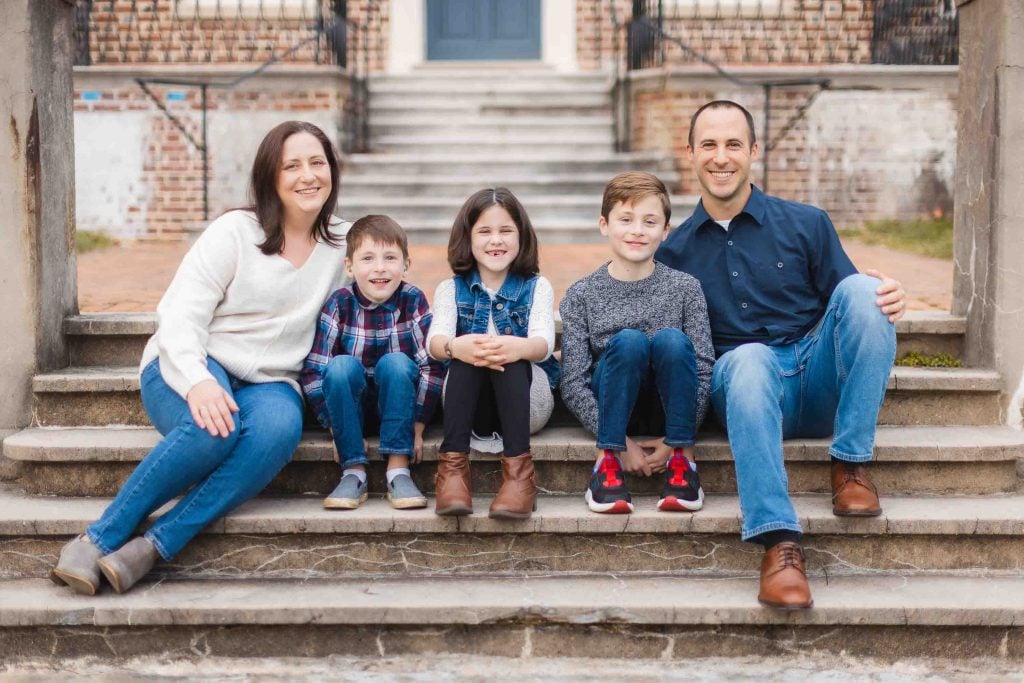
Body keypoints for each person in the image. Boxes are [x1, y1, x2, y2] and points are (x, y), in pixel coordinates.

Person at [49, 121, 351, 595]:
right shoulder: (235, 231)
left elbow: (386, 295)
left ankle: (152, 547)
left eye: (318, 162)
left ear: (332, 171)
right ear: (271, 177)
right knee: (216, 428)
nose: (307, 175)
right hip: (190, 364)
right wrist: (198, 381)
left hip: (272, 383)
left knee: (279, 429)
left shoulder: (345, 246)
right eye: (292, 165)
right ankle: (96, 539)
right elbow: (180, 316)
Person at [655, 100, 906, 610]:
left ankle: (851, 466)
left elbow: (851, 311)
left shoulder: (806, 223)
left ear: (753, 151)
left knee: (864, 290)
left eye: (732, 144)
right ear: (690, 154)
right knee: (748, 358)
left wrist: (885, 297)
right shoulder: (672, 253)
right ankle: (779, 543)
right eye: (708, 145)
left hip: (816, 380)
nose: (720, 157)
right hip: (743, 389)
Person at [560, 171, 715, 515]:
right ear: (604, 225)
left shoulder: (686, 288)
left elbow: (703, 369)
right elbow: (572, 382)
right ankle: (606, 467)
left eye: (649, 221)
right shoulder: (582, 294)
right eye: (625, 219)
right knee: (629, 342)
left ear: (665, 230)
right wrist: (617, 441)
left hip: (671, 411)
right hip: (614, 411)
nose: (637, 231)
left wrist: (680, 436)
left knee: (672, 340)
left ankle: (682, 466)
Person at [426, 188, 558, 520]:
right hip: (469, 409)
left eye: (505, 231)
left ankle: (519, 477)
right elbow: (435, 340)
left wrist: (515, 347)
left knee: (506, 357)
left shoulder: (536, 286)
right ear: (467, 238)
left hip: (527, 403)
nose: (495, 240)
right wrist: (459, 347)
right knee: (468, 352)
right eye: (484, 231)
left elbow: (543, 344)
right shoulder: (449, 289)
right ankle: (453, 472)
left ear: (521, 236)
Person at [299, 214, 443, 511]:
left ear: (405, 265)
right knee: (339, 366)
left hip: (400, 407)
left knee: (396, 363)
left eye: (390, 258)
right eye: (367, 258)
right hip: (351, 413)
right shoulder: (339, 303)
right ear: (349, 267)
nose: (380, 268)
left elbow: (431, 366)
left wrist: (418, 424)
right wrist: (334, 429)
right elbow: (314, 371)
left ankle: (398, 470)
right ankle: (353, 472)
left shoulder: (413, 299)